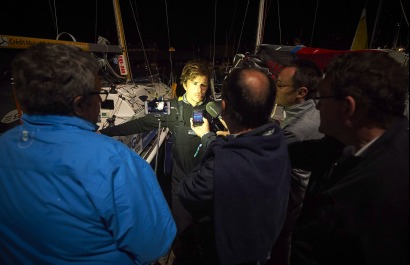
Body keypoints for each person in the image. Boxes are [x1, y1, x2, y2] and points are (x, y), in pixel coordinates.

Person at [0, 43, 176, 265]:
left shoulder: (4, 147)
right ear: (80, 103)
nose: (101, 100)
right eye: (98, 93)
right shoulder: (115, 162)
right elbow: (155, 243)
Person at [289, 52, 409, 265]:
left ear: (348, 107)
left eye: (322, 98)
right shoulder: (356, 145)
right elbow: (314, 152)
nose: (316, 106)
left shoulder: (388, 187)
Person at [99, 60, 214, 264]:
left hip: (207, 184)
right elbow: (141, 122)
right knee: (182, 235)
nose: (200, 89)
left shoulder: (214, 110)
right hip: (181, 186)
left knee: (207, 235)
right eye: (195, 83)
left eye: (204, 84)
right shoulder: (171, 107)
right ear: (185, 84)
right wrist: (106, 132)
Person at [178, 67, 291, 265]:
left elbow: (188, 192)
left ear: (224, 107)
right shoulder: (278, 140)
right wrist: (210, 138)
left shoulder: (224, 161)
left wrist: (214, 146)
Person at [268, 59, 323, 265]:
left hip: (289, 210)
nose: (275, 88)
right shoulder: (313, 112)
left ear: (301, 92)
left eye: (280, 85)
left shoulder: (297, 130)